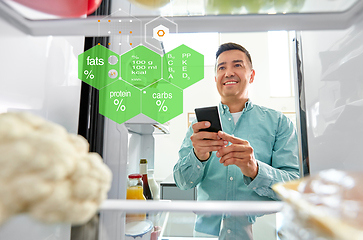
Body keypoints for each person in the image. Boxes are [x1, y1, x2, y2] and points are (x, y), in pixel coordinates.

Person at [173, 42, 300, 239]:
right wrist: (197, 157)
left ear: (252, 75)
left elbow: (294, 186)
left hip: (262, 232)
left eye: (237, 65)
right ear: (215, 78)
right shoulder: (198, 127)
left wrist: (255, 170)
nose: (228, 72)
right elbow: (182, 183)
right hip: (206, 234)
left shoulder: (279, 123)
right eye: (222, 67)